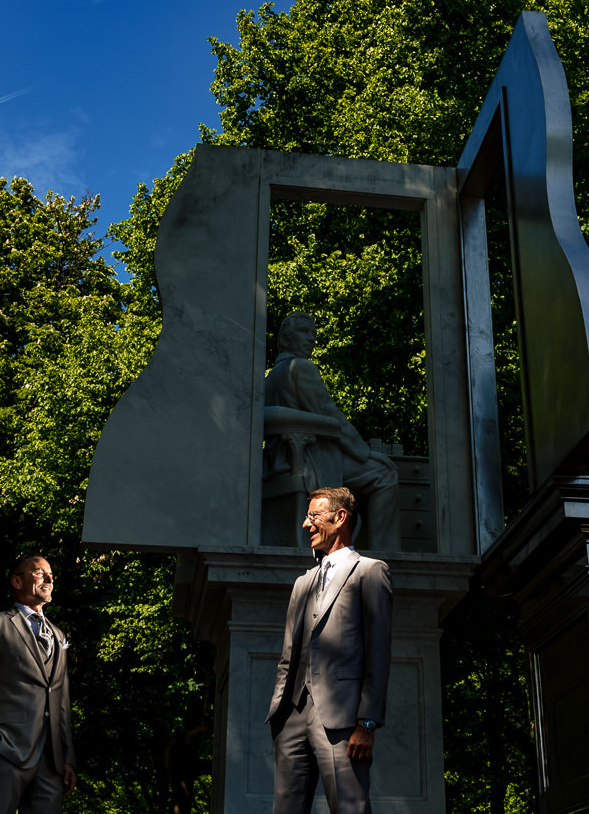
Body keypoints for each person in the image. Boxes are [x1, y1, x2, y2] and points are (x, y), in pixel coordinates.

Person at [267, 486, 393, 814]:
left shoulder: (370, 571)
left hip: (343, 720)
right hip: (291, 717)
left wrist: (367, 724)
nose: (306, 524)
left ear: (339, 518)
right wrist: (278, 713)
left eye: (313, 516)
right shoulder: (302, 583)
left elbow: (378, 652)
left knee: (350, 809)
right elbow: (288, 655)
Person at [264, 312, 400, 550]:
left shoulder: (271, 377)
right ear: (285, 339)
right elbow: (331, 416)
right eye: (304, 332)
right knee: (384, 473)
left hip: (281, 459)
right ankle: (384, 554)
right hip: (312, 458)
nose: (312, 339)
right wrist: (364, 453)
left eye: (314, 334)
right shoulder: (301, 368)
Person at [0, 555, 78, 814]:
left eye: (51, 575)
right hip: (6, 752)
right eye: (39, 573)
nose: (48, 579)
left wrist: (67, 758)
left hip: (51, 763)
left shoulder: (59, 636)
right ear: (17, 580)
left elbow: (61, 704)